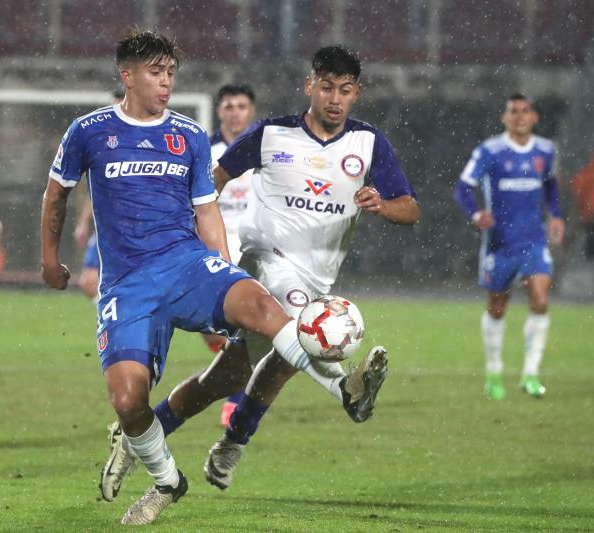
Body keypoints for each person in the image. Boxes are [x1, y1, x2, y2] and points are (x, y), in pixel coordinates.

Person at [99, 45, 418, 496]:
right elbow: (214, 178)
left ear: (356, 94)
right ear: (310, 86)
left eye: (344, 90)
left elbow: (411, 210)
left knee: (230, 377)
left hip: (316, 280)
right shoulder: (272, 134)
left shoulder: (368, 144)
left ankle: (167, 438)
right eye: (325, 87)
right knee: (302, 331)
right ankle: (348, 390)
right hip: (264, 265)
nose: (334, 98)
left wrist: (383, 205)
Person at [454, 93, 564, 400]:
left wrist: (555, 215)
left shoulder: (545, 150)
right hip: (499, 244)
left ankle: (531, 373)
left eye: (525, 111)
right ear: (505, 118)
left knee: (540, 300)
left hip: (534, 240)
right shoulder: (490, 151)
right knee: (497, 307)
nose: (519, 117)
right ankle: (494, 371)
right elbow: (464, 186)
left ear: (534, 117)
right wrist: (475, 214)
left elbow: (550, 184)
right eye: (513, 111)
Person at [208, 84, 257, 427]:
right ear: (219, 111)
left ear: (250, 110)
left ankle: (237, 395)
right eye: (229, 106)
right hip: (213, 246)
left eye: (242, 106)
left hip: (255, 247)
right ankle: (238, 375)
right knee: (212, 328)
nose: (236, 112)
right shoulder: (204, 149)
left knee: (243, 323)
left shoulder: (266, 147)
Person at [73, 89, 126, 302]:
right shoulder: (105, 143)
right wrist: (84, 222)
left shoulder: (151, 140)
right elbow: (95, 189)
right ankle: (113, 318)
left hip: (141, 228)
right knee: (88, 281)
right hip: (108, 228)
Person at [571, 156, 594, 260]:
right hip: (588, 208)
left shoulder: (585, 174)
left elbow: (577, 190)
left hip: (588, 210)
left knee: (590, 232)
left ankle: (589, 253)